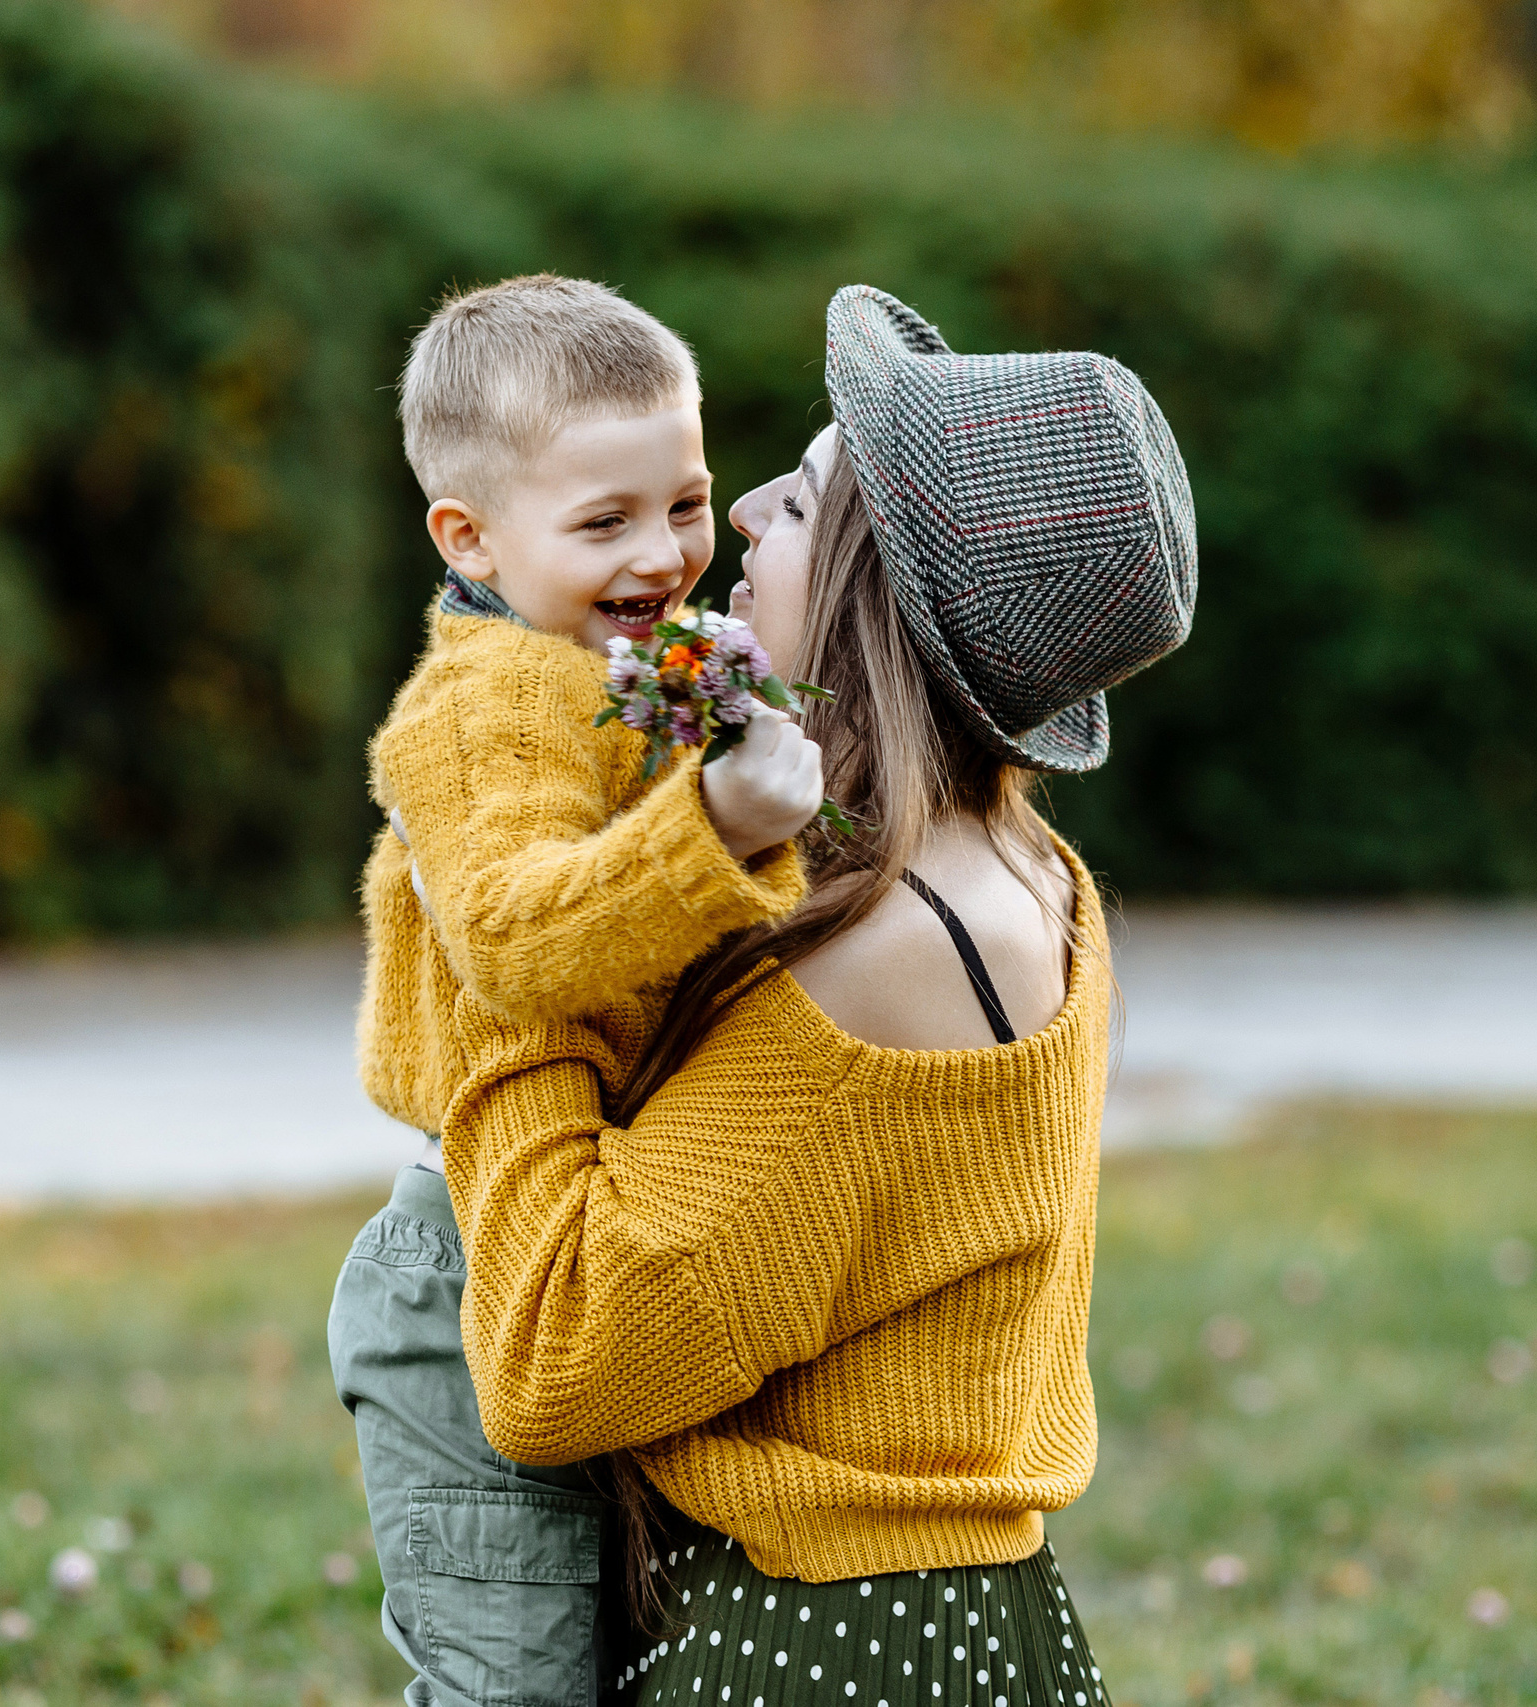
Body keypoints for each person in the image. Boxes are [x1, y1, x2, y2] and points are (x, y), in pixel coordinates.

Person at [436, 285, 1198, 1704]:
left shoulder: (889, 954)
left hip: (822, 1649)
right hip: (956, 1631)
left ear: (870, 593)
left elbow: (556, 1361)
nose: (736, 521)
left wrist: (508, 965)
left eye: (795, 506)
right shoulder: (1019, 874)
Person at [327, 273, 828, 1707]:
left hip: (587, 1235)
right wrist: (719, 828)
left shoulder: (629, 671)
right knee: (518, 1688)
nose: (665, 553)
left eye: (683, 501)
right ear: (468, 536)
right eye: (601, 523)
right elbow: (512, 937)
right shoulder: (490, 701)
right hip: (468, 1271)